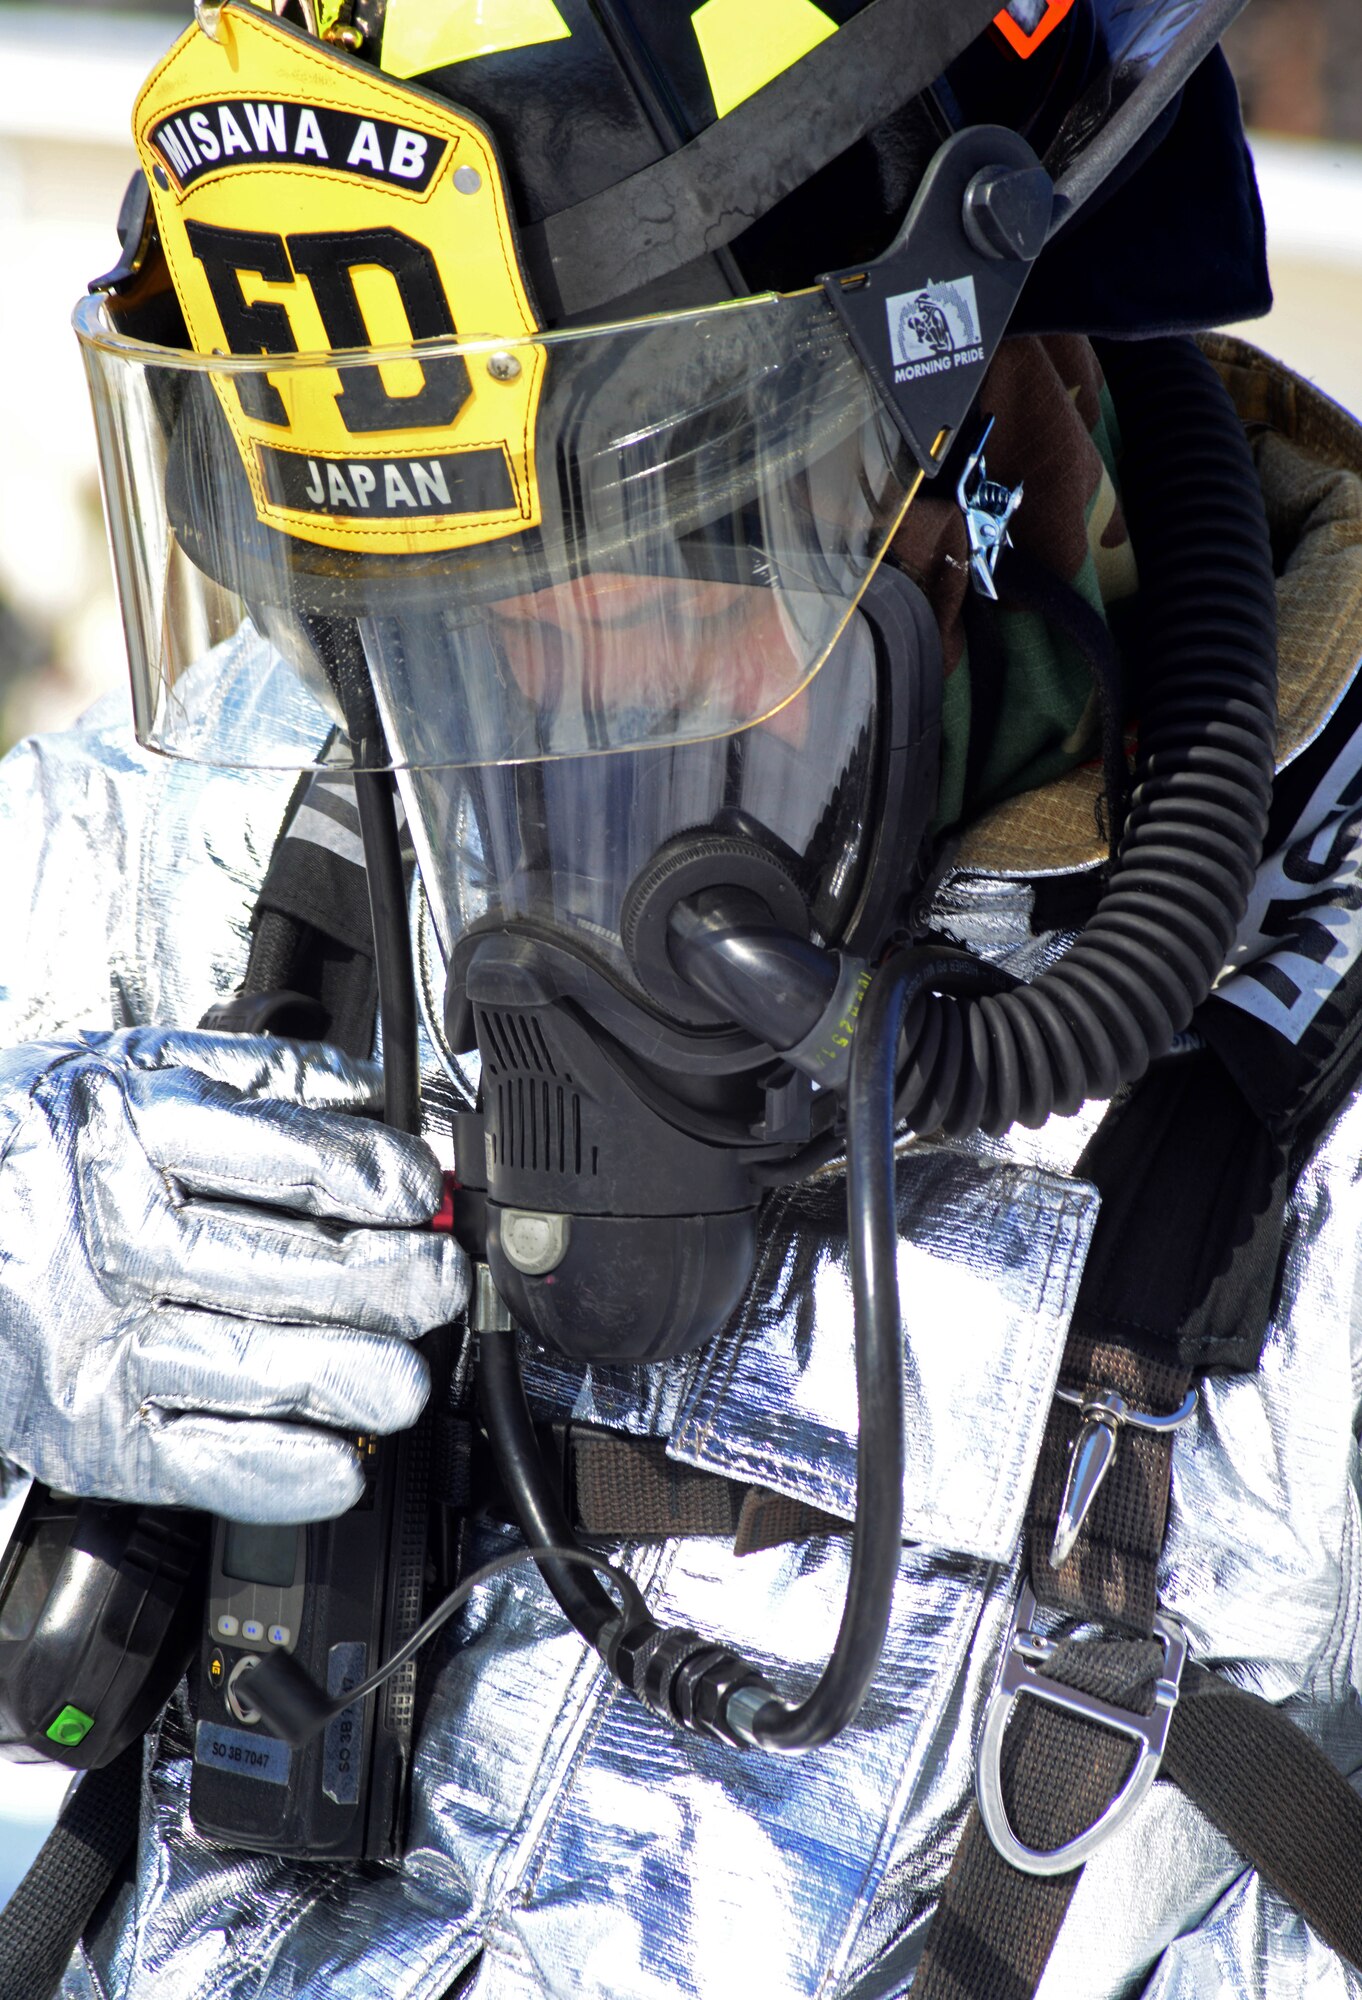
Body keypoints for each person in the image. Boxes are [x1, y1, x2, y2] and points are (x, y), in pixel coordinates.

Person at [3, 0, 1362, 1994]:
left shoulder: (1311, 1066)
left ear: (1004, 436)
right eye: (439, 658)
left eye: (648, 682)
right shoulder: (280, 798)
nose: (520, 777)